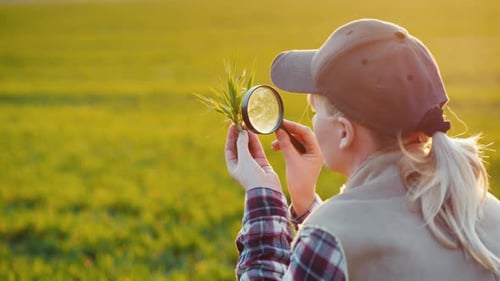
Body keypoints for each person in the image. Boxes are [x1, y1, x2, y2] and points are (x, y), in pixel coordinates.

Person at [225, 18, 500, 281]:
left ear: (344, 132)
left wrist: (264, 199)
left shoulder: (329, 238)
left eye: (314, 110)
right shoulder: (483, 207)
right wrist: (307, 202)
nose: (312, 120)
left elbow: (347, 243)